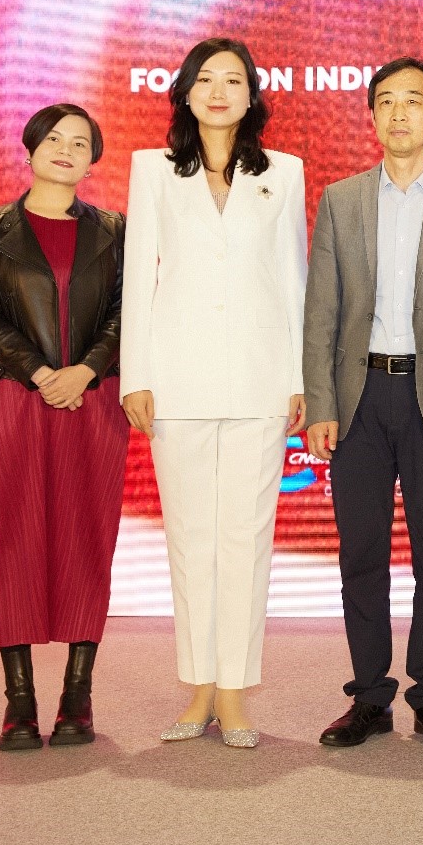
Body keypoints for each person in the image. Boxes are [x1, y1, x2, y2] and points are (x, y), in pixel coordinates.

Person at [303, 58, 423, 749]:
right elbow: (321, 311)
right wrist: (321, 402)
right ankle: (369, 696)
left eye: (412, 101)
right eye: (385, 101)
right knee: (360, 554)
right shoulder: (341, 199)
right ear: (371, 114)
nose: (397, 113)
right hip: (358, 398)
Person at [119, 37, 308, 749]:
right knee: (190, 538)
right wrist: (136, 373)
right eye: (206, 79)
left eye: (233, 80)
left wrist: (298, 378)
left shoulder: (282, 172)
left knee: (245, 538)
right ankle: (197, 685)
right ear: (186, 93)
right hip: (177, 380)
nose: (219, 91)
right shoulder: (153, 169)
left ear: (252, 95)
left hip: (260, 379)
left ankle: (233, 690)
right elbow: (139, 275)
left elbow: (293, 278)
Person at [0, 104, 127, 751]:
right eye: (54, 139)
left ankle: (77, 699)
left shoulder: (114, 230)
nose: (65, 149)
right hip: (18, 398)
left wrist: (84, 370)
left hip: (94, 401)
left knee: (90, 536)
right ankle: (20, 703)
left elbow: (126, 312)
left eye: (80, 142)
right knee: (17, 539)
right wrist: (38, 372)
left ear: (93, 160)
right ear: (30, 149)